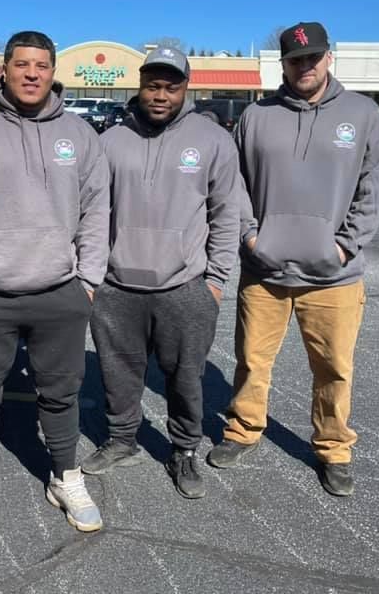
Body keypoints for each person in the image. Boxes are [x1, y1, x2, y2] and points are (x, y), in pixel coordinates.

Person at [0, 30, 109, 539]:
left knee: (61, 393)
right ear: (5, 69)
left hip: (60, 291)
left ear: (52, 71)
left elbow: (98, 211)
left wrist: (89, 282)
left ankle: (65, 476)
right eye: (22, 64)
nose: (31, 74)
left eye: (41, 65)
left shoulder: (78, 135)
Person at [207, 22, 379, 497]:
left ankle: (333, 448)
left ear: (329, 58)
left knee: (334, 367)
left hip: (334, 276)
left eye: (313, 58)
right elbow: (235, 186)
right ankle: (243, 430)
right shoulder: (256, 116)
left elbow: (372, 189)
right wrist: (250, 238)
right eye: (295, 59)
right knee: (251, 360)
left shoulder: (363, 114)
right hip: (264, 270)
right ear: (283, 63)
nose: (304, 66)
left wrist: (344, 246)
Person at [81, 47, 241, 499]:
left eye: (171, 87)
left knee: (185, 376)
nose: (160, 94)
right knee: (119, 371)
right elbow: (91, 211)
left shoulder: (213, 141)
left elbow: (228, 214)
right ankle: (122, 439)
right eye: (153, 85)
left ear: (185, 88)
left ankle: (184, 449)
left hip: (185, 286)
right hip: (116, 285)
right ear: (140, 85)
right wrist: (93, 277)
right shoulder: (110, 141)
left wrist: (214, 282)